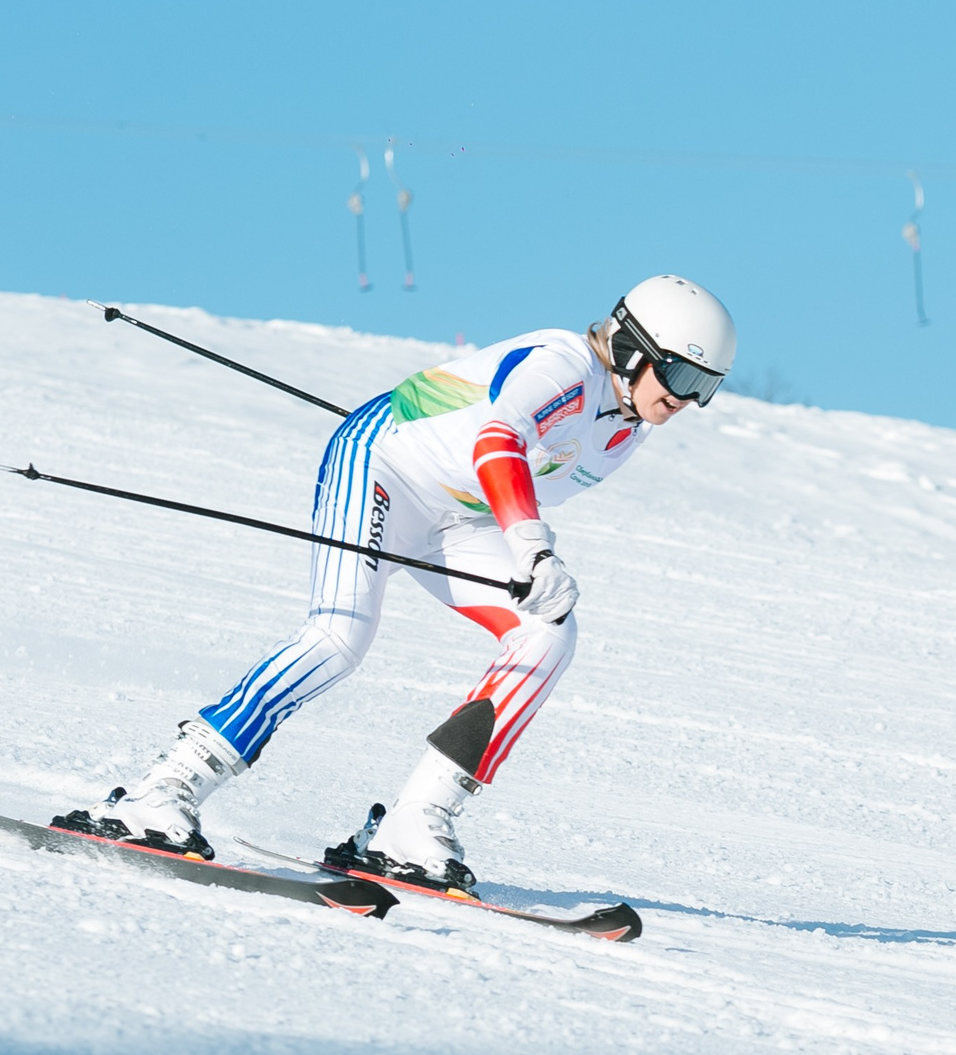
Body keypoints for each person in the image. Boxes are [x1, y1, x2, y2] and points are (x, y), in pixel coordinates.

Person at [58, 274, 737, 890]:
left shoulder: (624, 429)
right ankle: (164, 789)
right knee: (339, 635)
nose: (685, 399)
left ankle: (414, 823)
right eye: (678, 373)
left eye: (703, 387)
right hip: (382, 463)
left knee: (547, 633)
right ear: (627, 347)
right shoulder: (566, 363)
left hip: (454, 513)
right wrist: (532, 547)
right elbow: (499, 437)